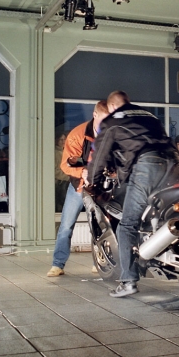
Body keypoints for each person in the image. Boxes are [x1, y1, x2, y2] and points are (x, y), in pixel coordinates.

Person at [88, 91, 177, 297]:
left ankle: (128, 281)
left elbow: (100, 155)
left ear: (111, 106)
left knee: (127, 224)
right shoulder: (149, 115)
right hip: (172, 163)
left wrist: (93, 181)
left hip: (146, 165)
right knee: (159, 211)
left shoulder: (112, 121)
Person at [47, 100, 109, 277]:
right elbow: (65, 165)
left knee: (100, 227)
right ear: (95, 115)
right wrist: (82, 172)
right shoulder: (77, 135)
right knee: (66, 226)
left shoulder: (112, 134)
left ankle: (99, 262)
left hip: (101, 187)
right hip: (79, 187)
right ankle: (57, 264)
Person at [54, 132, 69, 212]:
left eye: (64, 139)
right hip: (59, 183)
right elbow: (54, 171)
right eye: (61, 139)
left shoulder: (67, 151)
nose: (63, 141)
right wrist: (68, 177)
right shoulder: (54, 152)